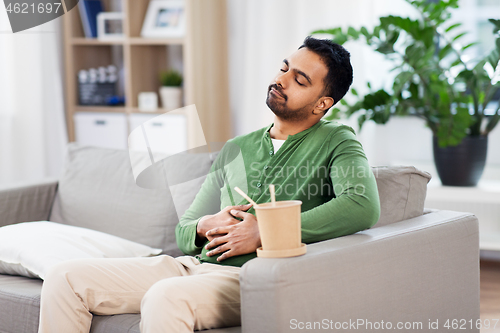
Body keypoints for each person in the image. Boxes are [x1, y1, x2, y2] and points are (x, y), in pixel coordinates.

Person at [38, 36, 380, 333]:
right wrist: (206, 224)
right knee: (63, 278)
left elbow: (362, 205)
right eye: (283, 68)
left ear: (323, 103)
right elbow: (185, 231)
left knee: (164, 296)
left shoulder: (337, 139)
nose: (281, 80)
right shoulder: (237, 147)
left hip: (251, 278)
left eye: (299, 79)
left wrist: (264, 231)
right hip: (194, 266)